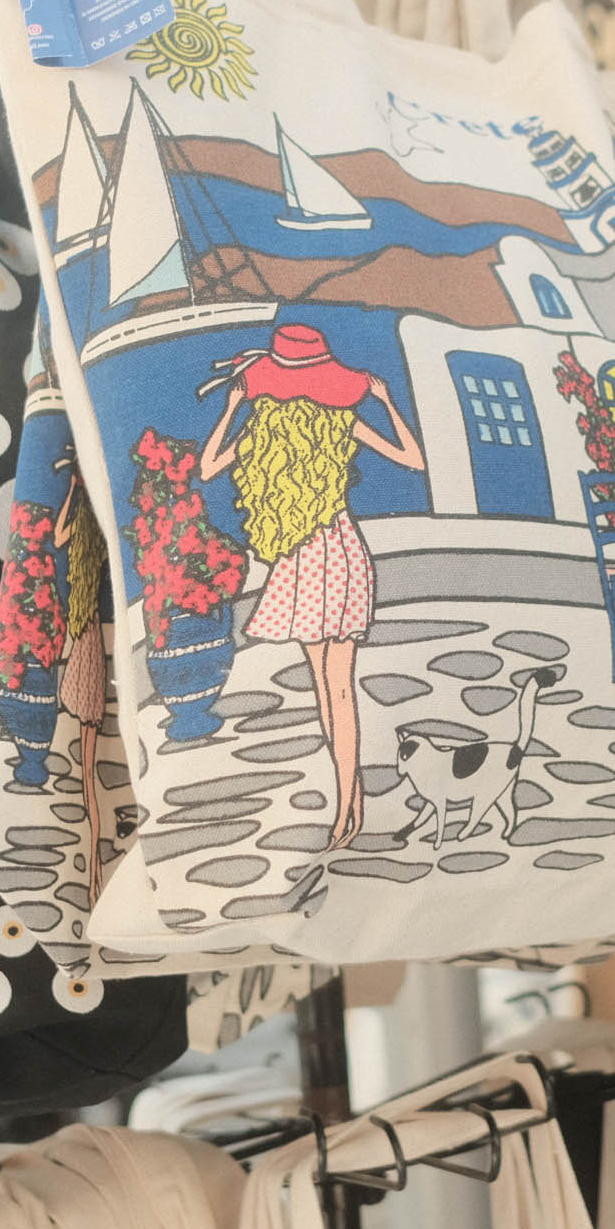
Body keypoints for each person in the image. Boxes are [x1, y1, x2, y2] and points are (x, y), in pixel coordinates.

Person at [201, 323, 425, 849]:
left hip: (306, 560)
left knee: (331, 691)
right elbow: (412, 457)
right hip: (333, 556)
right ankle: (350, 803)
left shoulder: (259, 428)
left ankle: (349, 807)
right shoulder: (341, 422)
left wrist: (232, 407)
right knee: (334, 690)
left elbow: (208, 466)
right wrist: (385, 401)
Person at [54, 453, 109, 883]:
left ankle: (94, 865)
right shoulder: (89, 537)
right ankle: (94, 864)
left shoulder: (91, 538)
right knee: (87, 769)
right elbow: (60, 536)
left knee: (88, 769)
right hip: (88, 643)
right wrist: (74, 490)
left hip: (87, 644)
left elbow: (59, 536)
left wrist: (74, 491)